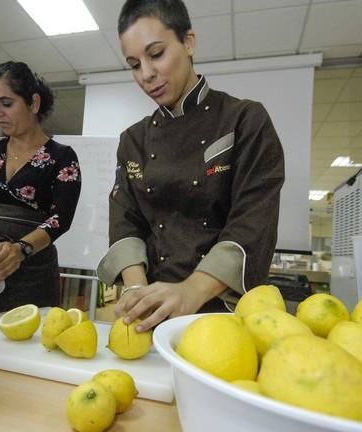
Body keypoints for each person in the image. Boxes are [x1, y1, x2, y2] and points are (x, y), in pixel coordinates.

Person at [97, 0, 285, 332]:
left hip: (223, 312)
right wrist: (138, 290)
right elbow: (125, 220)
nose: (146, 74)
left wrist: (191, 291)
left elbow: (254, 221)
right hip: (154, 311)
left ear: (188, 42)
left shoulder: (244, 119)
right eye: (134, 64)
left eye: (156, 54)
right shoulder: (133, 140)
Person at [0, 61, 81, 313]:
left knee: (25, 335)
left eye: (6, 103)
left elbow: (60, 218)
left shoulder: (62, 157)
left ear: (33, 103)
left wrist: (20, 249)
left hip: (32, 268)